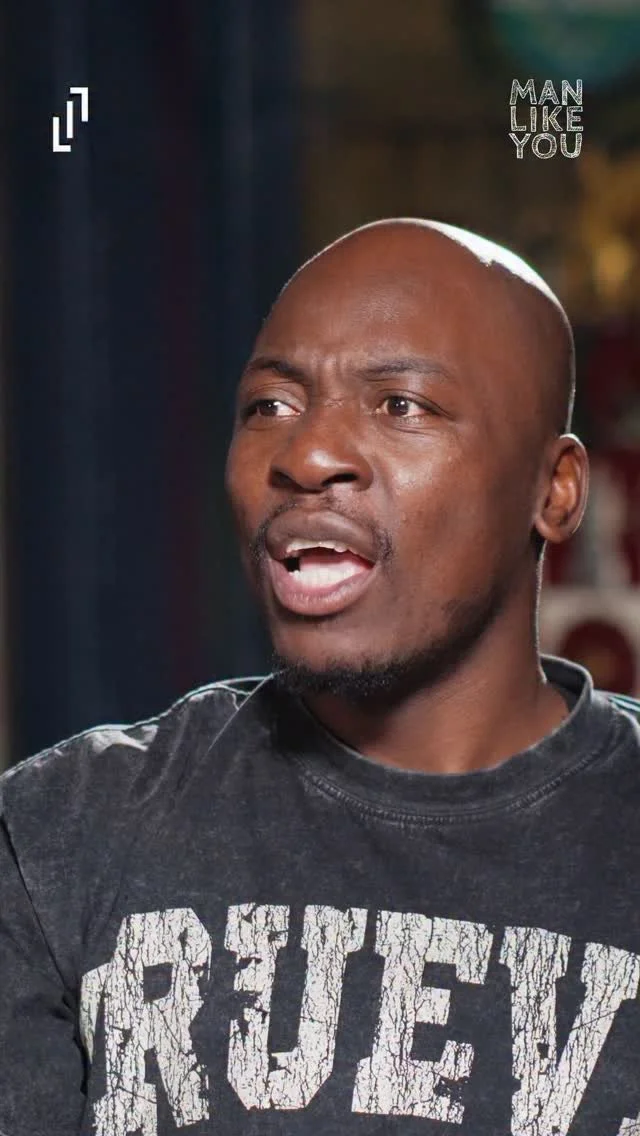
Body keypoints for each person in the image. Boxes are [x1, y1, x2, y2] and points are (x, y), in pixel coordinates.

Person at [1, 218, 640, 1136]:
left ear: (555, 489)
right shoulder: (56, 838)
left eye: (401, 405)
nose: (304, 456)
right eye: (270, 406)